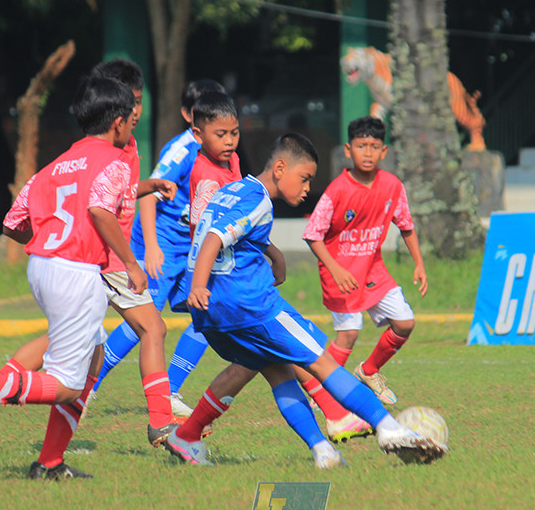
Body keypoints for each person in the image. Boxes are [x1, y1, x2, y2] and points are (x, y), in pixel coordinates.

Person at [0, 74, 175, 480]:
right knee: (67, 386)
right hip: (78, 273)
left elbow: (12, 223)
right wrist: (131, 262)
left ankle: (49, 462)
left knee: (94, 353)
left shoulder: (57, 164)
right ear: (117, 123)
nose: (133, 124)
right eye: (130, 120)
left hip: (42, 268)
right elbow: (100, 210)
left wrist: (49, 241)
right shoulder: (114, 160)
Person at [163, 133, 444, 467]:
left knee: (274, 367)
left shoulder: (233, 190)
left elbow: (223, 229)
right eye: (305, 178)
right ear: (280, 168)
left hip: (214, 312)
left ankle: (197, 436)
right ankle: (390, 428)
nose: (308, 187)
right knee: (321, 361)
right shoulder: (257, 199)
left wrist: (273, 254)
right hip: (249, 304)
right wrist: (198, 285)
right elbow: (213, 237)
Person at [93, 79, 227, 418]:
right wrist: (152, 247)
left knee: (206, 314)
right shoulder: (182, 150)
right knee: (144, 319)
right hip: (163, 243)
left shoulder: (224, 153)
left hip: (194, 248)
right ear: (190, 118)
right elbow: (150, 196)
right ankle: (90, 386)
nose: (221, 128)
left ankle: (171, 390)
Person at [302, 116, 427, 405]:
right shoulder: (337, 190)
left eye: (374, 146)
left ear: (384, 152)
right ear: (348, 150)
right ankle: (320, 392)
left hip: (372, 270)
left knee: (405, 323)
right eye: (361, 146)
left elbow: (406, 225)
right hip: (340, 274)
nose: (367, 152)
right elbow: (312, 235)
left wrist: (419, 263)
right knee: (348, 334)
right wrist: (335, 269)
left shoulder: (393, 186)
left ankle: (368, 371)